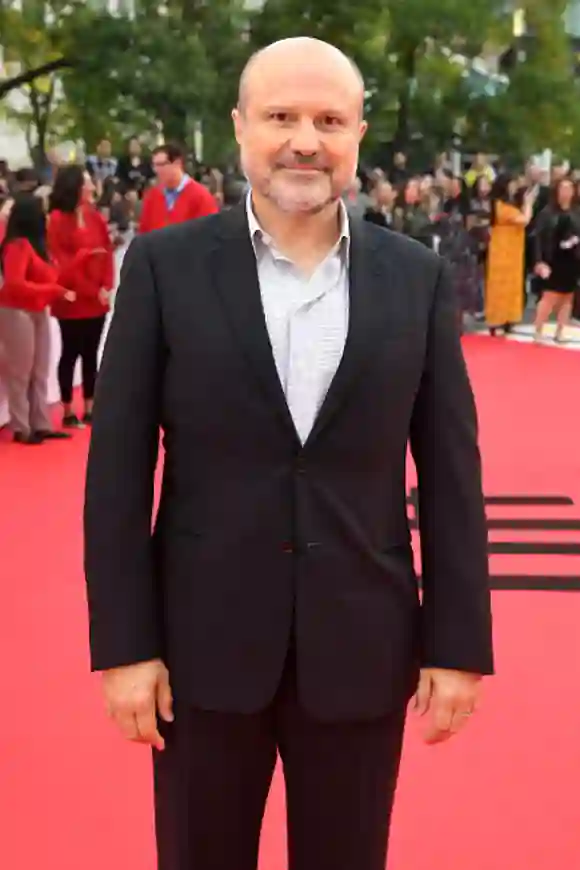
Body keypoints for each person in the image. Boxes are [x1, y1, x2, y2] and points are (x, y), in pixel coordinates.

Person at [84, 38, 494, 870]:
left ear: (357, 135)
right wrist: (125, 646)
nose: (305, 139)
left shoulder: (415, 278)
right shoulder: (164, 269)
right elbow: (118, 473)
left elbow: (451, 475)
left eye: (328, 120)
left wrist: (458, 646)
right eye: (281, 116)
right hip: (200, 650)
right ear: (240, 129)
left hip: (363, 646)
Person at [0, 194, 74, 443]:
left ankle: (40, 422)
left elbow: (48, 277)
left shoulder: (38, 246)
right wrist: (53, 291)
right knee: (21, 371)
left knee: (40, 369)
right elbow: (14, 284)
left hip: (38, 309)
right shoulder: (17, 246)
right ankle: (21, 426)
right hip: (16, 311)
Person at [47, 165, 114, 427]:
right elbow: (62, 264)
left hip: (96, 299)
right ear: (75, 187)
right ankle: (66, 409)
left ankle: (90, 405)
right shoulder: (56, 220)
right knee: (70, 353)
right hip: (73, 300)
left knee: (91, 353)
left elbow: (107, 251)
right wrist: (90, 288)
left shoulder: (94, 216)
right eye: (86, 183)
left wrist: (106, 285)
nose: (91, 187)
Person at [485, 172, 536, 336]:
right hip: (502, 251)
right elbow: (524, 219)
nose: (515, 187)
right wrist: (529, 204)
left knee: (513, 285)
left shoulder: (509, 204)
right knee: (500, 286)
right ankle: (497, 319)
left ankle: (509, 319)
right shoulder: (500, 206)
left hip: (513, 250)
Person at [533, 176, 580, 343]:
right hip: (552, 258)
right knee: (549, 297)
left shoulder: (577, 212)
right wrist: (538, 261)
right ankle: (538, 331)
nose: (566, 192)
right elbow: (537, 238)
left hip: (572, 260)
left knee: (568, 297)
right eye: (563, 188)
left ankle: (560, 331)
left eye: (569, 188)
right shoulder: (547, 212)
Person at [138, 143, 219, 233]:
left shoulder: (201, 196)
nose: (157, 170)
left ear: (177, 163)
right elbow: (143, 233)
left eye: (161, 165)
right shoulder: (152, 196)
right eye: (154, 165)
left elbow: (209, 234)